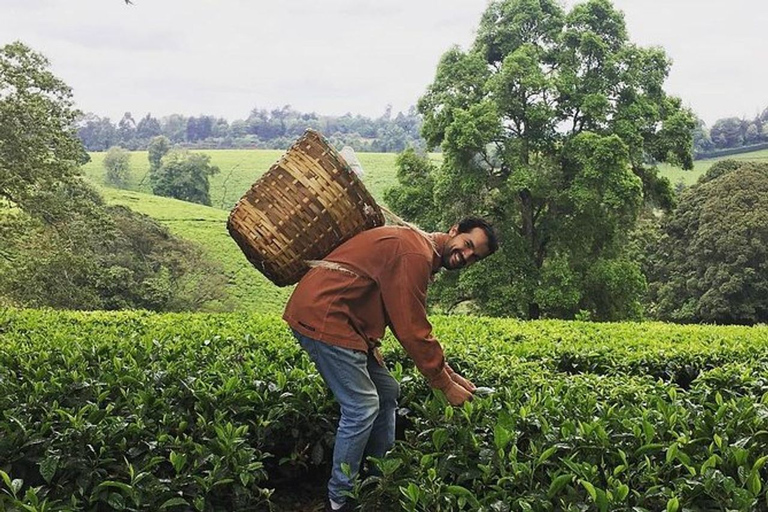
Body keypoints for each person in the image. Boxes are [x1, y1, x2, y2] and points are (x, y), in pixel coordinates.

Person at [283, 217, 499, 512]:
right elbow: (412, 328)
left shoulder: (420, 251)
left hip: (346, 323)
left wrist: (447, 373)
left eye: (476, 257)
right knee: (362, 406)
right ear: (454, 231)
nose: (467, 256)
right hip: (325, 316)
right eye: (468, 245)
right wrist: (443, 384)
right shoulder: (414, 253)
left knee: (387, 392)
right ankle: (340, 498)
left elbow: (401, 317)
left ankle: (379, 476)